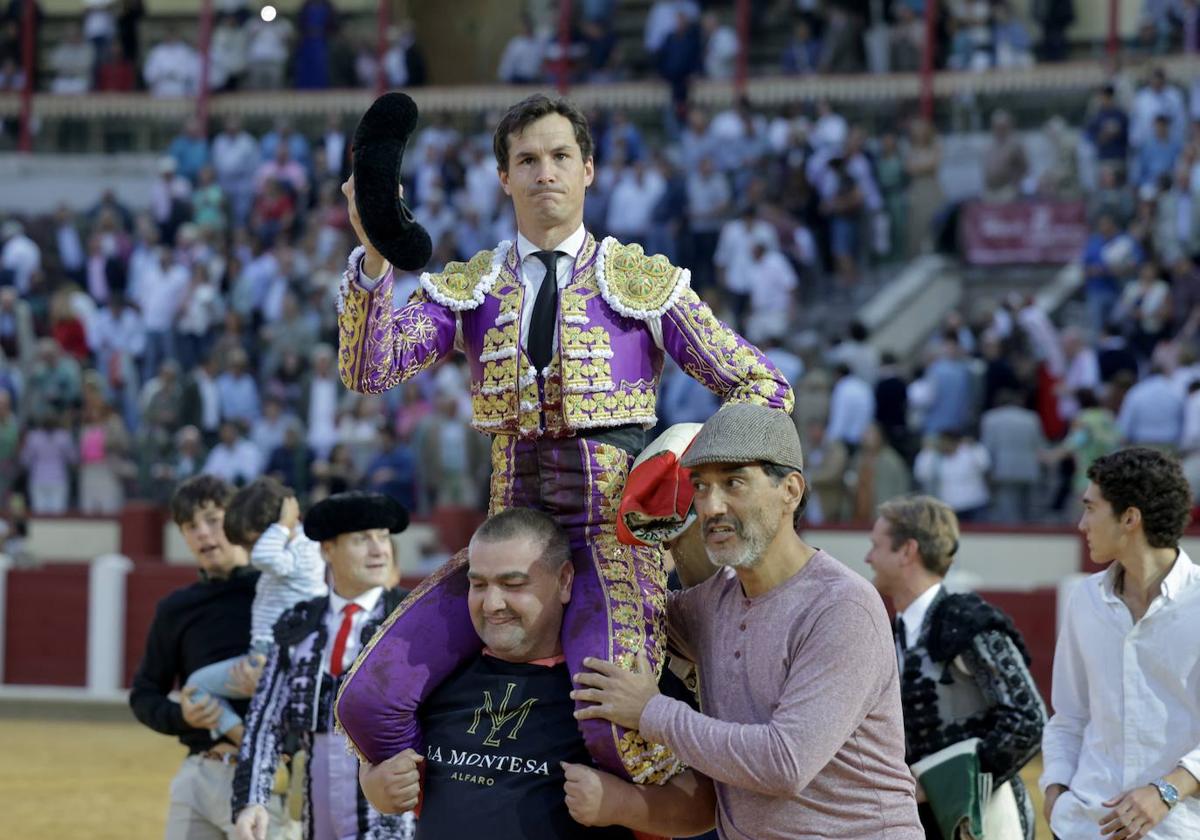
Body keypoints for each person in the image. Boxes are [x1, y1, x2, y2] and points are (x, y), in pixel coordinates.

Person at [334, 93, 793, 782]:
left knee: (617, 731)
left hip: (614, 541)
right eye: (526, 160)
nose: (543, 172)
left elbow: (764, 388)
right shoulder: (473, 285)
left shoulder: (640, 283)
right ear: (503, 178)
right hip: (507, 544)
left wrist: (685, 454)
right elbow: (370, 370)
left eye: (558, 157)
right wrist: (375, 254)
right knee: (369, 705)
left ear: (588, 171)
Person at [572, 403, 924, 838]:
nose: (712, 505)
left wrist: (649, 711)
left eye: (734, 482)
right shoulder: (714, 602)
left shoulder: (841, 607)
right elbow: (627, 615)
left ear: (791, 490)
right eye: (700, 487)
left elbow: (784, 764)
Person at [357, 507, 717, 839]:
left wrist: (620, 804)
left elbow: (706, 804)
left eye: (513, 584)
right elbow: (381, 763)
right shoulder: (437, 676)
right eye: (478, 584)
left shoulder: (618, 682)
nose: (492, 604)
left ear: (563, 581)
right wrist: (376, 785)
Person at [232, 491, 414, 840]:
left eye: (383, 537)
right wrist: (252, 801)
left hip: (394, 818)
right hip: (318, 812)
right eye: (362, 539)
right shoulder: (299, 623)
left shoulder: (411, 620)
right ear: (327, 550)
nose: (379, 550)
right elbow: (265, 720)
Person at [865, 495, 1047, 839]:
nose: (868, 558)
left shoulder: (966, 622)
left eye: (876, 546)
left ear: (907, 551)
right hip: (915, 820)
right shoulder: (890, 633)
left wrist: (946, 783)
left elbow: (1028, 719)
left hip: (985, 814)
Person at [1041, 447, 1200, 839]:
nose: (1081, 524)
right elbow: (1069, 715)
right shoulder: (1085, 599)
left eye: (1091, 508)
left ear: (1130, 518)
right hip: (1084, 826)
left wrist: (1169, 789)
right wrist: (1056, 792)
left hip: (1179, 828)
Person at [128, 475, 287, 840]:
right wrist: (181, 716)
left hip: (266, 781)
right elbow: (144, 693)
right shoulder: (176, 609)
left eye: (213, 519)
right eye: (190, 526)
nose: (202, 533)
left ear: (237, 520)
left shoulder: (277, 592)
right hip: (200, 774)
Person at [184, 476, 328, 741]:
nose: (250, 553)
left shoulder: (300, 549)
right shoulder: (297, 551)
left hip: (277, 658)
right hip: (273, 656)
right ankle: (258, 744)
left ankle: (246, 741)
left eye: (251, 542)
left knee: (197, 686)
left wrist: (284, 524)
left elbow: (263, 556)